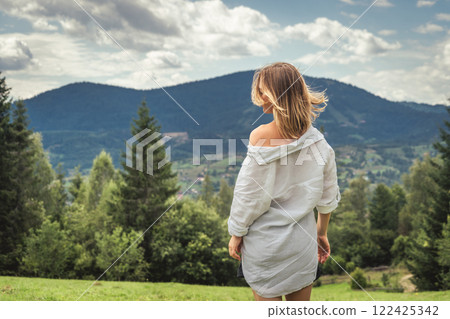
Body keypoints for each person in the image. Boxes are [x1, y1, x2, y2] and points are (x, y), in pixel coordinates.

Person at [227, 62, 341, 301]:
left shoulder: (259, 136)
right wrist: (321, 233)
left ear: (276, 96)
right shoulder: (319, 142)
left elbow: (250, 195)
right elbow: (328, 197)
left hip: (264, 245)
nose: (258, 97)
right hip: (302, 245)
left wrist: (237, 232)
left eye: (262, 91)